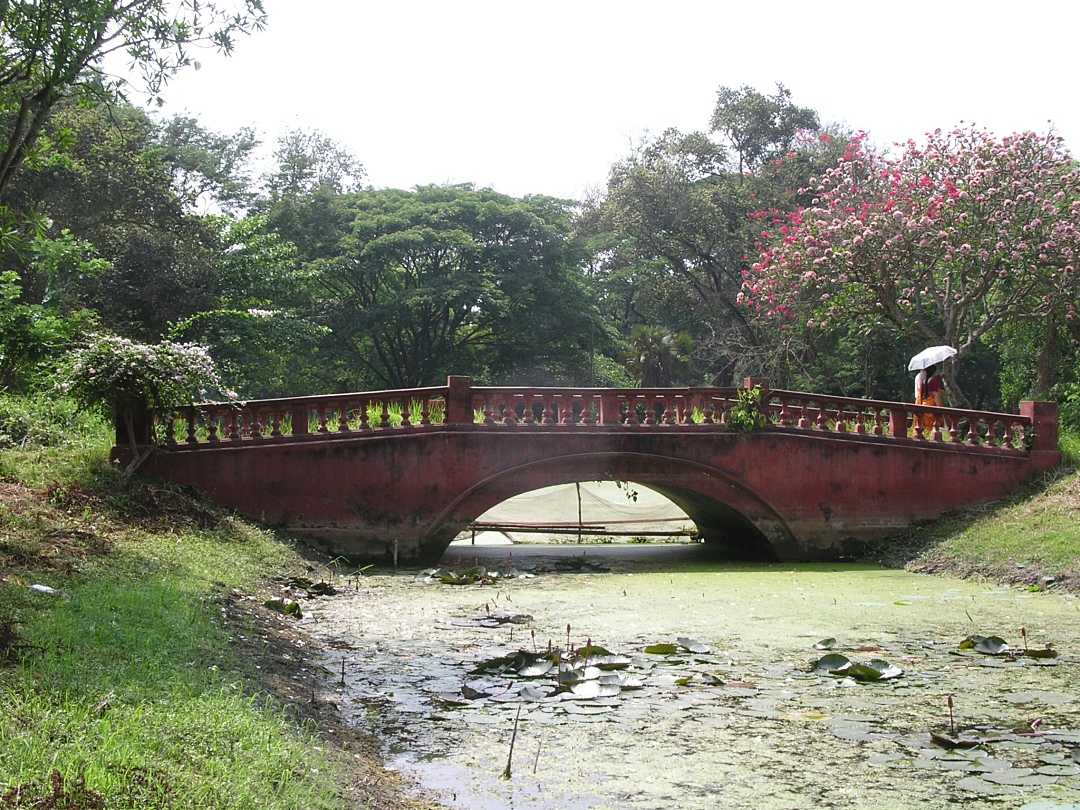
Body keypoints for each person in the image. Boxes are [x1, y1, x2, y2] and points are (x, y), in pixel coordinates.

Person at [914, 363, 944, 434]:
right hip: (931, 407)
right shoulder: (934, 381)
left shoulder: (923, 381)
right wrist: (942, 410)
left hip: (923, 406)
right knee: (932, 431)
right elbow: (936, 397)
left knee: (922, 431)